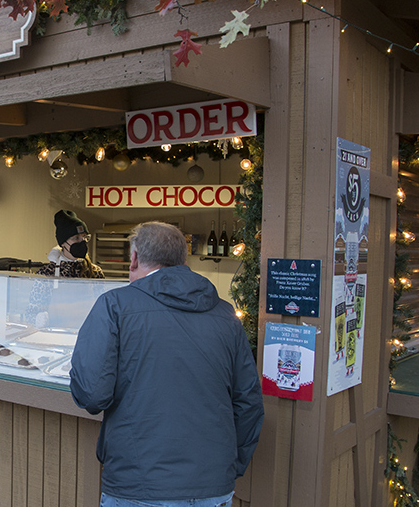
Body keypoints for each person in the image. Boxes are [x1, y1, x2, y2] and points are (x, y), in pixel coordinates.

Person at [69, 221, 264, 507]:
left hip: (139, 485)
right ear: (183, 261)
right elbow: (248, 403)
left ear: (134, 258)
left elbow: (92, 394)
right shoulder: (226, 315)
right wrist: (228, 466)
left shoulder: (114, 306)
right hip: (213, 484)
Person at [36, 209, 104, 278]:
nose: (82, 241)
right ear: (63, 243)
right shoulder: (47, 273)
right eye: (76, 238)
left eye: (85, 237)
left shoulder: (95, 272)